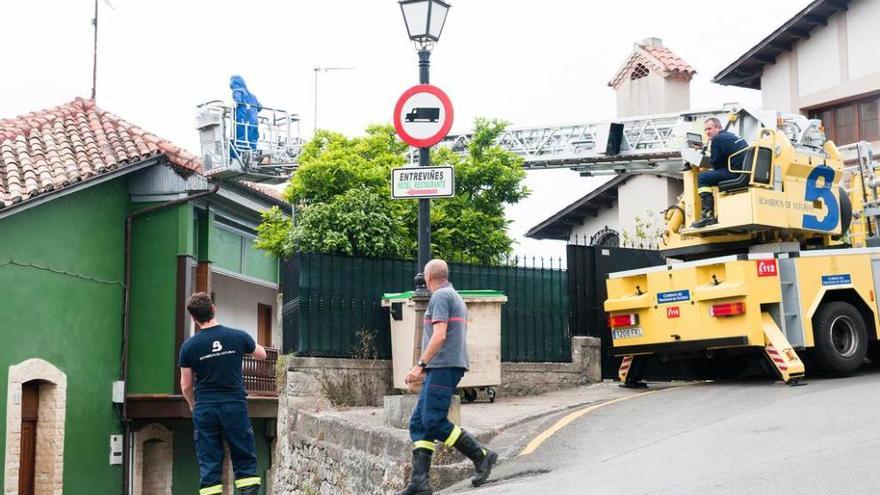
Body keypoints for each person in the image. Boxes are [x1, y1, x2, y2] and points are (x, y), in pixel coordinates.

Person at [396, 259, 498, 495]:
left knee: (432, 420)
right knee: (419, 424)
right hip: (444, 366)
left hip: (443, 365)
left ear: (429, 278)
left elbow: (439, 335)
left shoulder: (441, 297)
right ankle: (419, 482)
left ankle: (481, 455)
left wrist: (419, 365)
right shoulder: (454, 296)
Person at [179, 292, 268, 495]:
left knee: (209, 463)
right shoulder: (238, 336)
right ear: (214, 309)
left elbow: (185, 386)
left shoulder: (188, 346)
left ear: (193, 318)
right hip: (234, 406)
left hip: (205, 408)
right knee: (244, 458)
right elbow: (261, 354)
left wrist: (194, 405)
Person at [691, 117, 749, 228]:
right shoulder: (731, 136)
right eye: (705, 130)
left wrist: (711, 150)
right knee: (714, 176)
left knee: (703, 178)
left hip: (735, 173)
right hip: (743, 172)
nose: (707, 132)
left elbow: (716, 164)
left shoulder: (717, 140)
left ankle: (708, 215)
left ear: (718, 127)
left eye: (709, 129)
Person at [230, 75, 262, 160]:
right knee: (252, 140)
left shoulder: (237, 91)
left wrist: (232, 107)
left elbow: (238, 101)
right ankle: (252, 157)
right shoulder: (253, 96)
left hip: (243, 119)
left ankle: (237, 158)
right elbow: (260, 107)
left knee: (241, 139)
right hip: (254, 121)